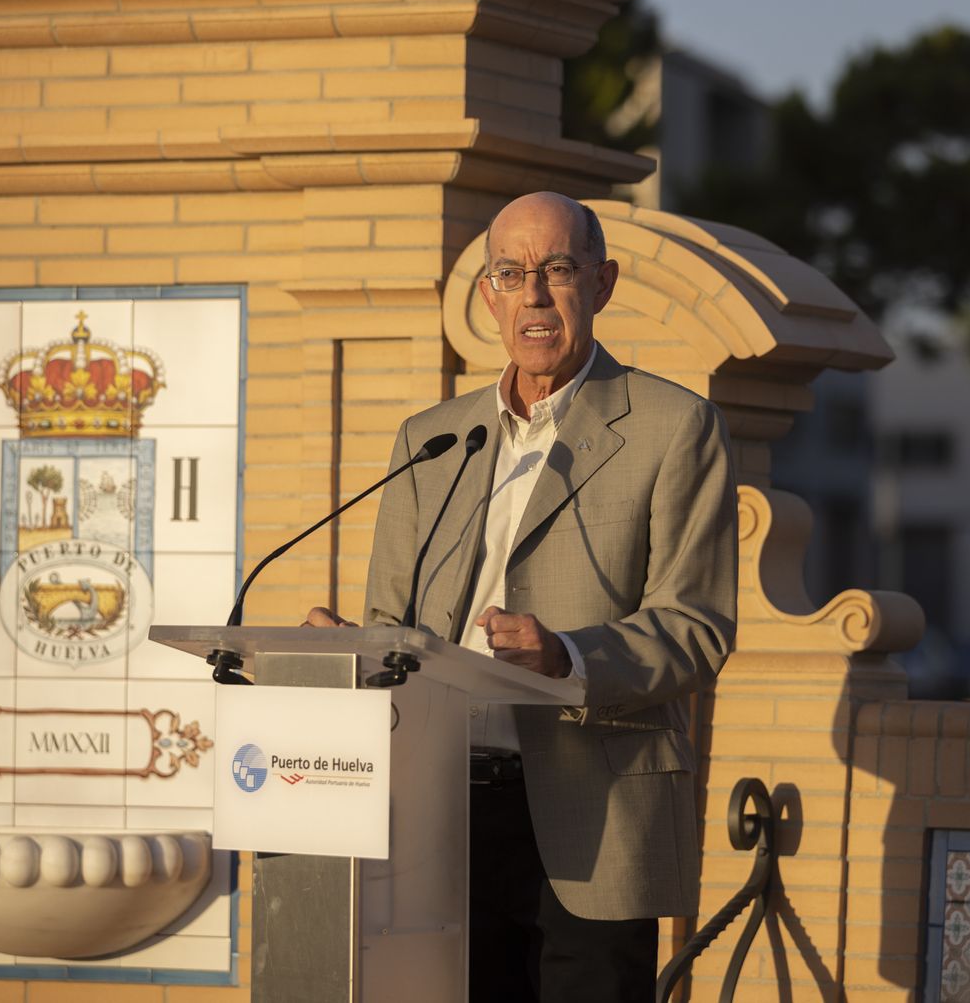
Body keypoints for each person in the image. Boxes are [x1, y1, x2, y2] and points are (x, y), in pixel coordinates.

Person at [305, 191, 737, 1001]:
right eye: (511, 273)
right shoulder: (430, 440)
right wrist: (346, 653)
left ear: (602, 283)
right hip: (441, 817)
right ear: (488, 297)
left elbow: (696, 627)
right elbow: (392, 628)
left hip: (595, 816)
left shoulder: (675, 427)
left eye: (558, 269)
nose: (534, 294)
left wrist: (566, 657)